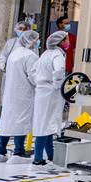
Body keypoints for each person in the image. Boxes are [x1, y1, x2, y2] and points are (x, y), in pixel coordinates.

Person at [0, 29, 39, 162]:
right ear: (31, 41)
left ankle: (1, 152)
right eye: (36, 40)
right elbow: (33, 77)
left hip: (10, 94)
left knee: (6, 122)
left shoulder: (15, 54)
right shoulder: (31, 56)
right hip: (23, 94)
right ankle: (18, 152)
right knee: (21, 122)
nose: (37, 42)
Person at [28, 30, 68, 167]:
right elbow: (59, 71)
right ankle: (38, 158)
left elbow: (32, 71)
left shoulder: (45, 54)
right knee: (45, 126)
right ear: (61, 42)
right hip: (51, 93)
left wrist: (39, 82)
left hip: (41, 91)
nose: (68, 42)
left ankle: (51, 156)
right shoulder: (57, 55)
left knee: (46, 124)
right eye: (66, 40)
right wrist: (58, 86)